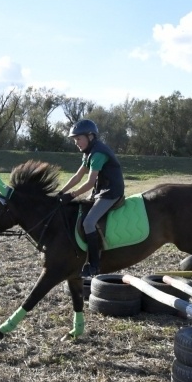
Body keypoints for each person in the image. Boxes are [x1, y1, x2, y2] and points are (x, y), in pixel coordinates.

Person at [56, 119, 124, 278]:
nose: (76, 143)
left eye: (78, 138)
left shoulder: (98, 153)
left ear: (90, 136)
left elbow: (89, 182)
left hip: (111, 192)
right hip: (100, 190)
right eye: (74, 140)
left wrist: (72, 195)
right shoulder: (89, 153)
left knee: (88, 222)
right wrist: (61, 192)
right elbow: (77, 176)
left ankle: (94, 265)